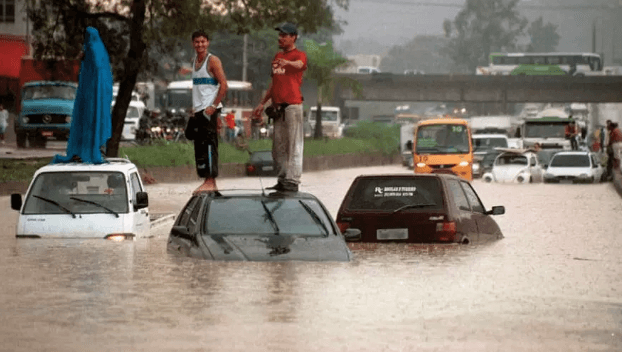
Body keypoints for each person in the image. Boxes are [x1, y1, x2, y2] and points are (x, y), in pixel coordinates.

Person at [252, 22, 307, 192]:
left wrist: (288, 63)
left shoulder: (299, 55)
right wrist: (262, 103)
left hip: (293, 106)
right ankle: (282, 179)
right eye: (280, 35)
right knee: (278, 147)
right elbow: (274, 83)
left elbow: (300, 65)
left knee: (293, 145)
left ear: (293, 37)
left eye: (284, 35)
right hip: (277, 108)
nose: (280, 38)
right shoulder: (277, 57)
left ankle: (292, 180)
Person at [184, 30, 228, 194]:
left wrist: (214, 106)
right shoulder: (194, 61)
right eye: (197, 42)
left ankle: (211, 180)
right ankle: (206, 180)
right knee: (199, 143)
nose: (200, 45)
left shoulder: (213, 60)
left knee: (209, 144)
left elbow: (223, 85)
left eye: (203, 41)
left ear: (208, 42)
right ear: (193, 44)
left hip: (209, 109)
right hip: (198, 110)